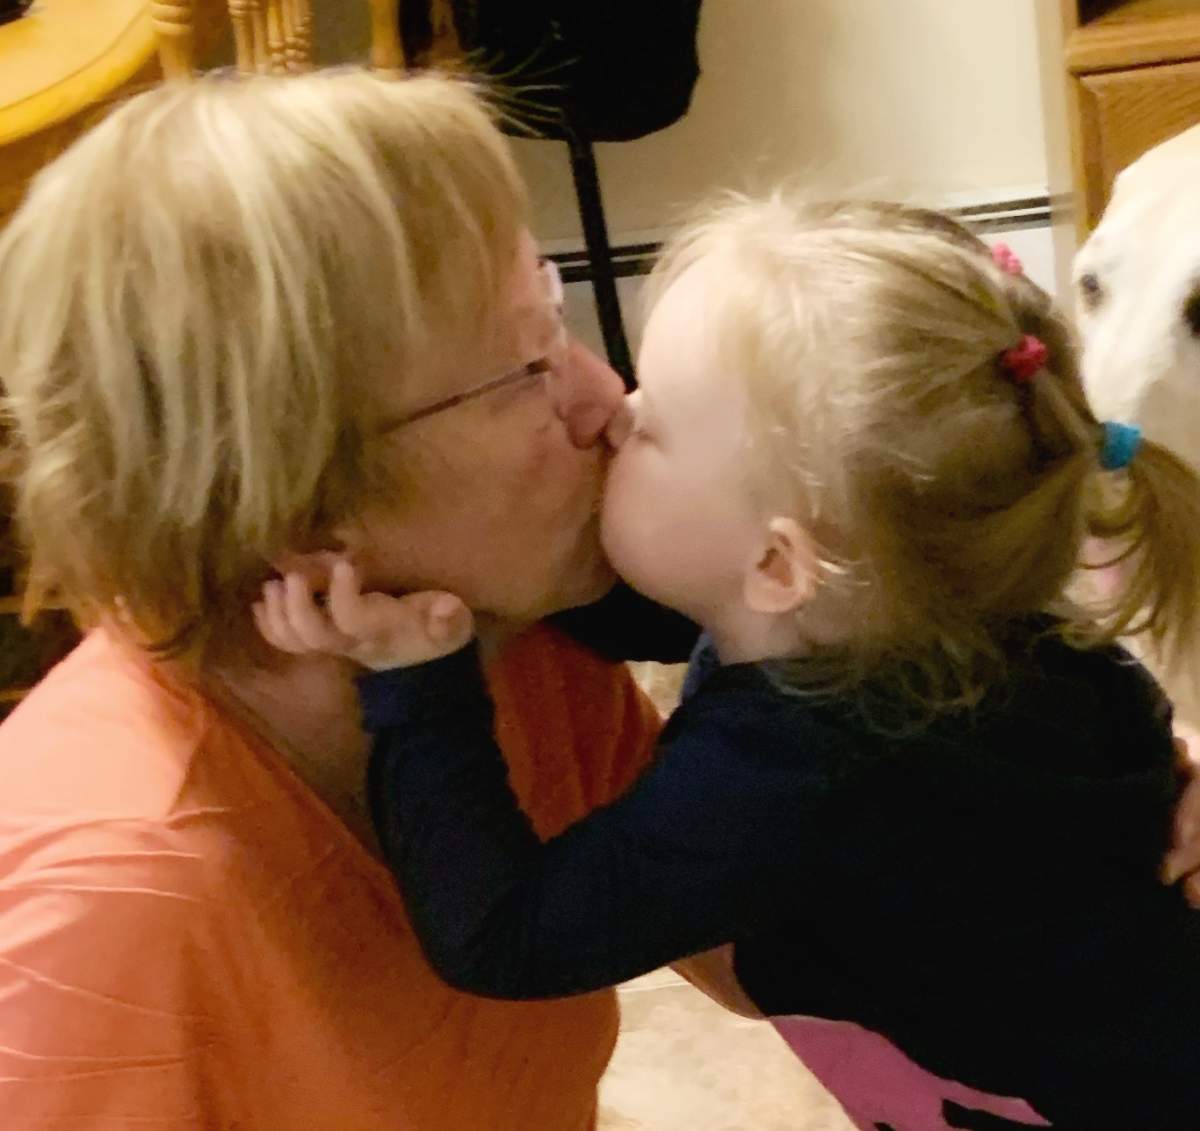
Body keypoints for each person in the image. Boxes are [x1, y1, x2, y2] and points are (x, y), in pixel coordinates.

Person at [260, 198, 1200, 1130]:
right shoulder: (935, 609)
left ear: (779, 565)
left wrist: (420, 683)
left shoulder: (787, 772)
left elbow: (506, 936)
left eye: (653, 422)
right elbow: (662, 591)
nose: (611, 414)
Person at [0, 68, 695, 1129]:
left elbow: (814, 963)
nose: (610, 401)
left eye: (556, 320)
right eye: (524, 371)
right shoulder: (111, 899)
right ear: (293, 510)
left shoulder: (507, 649)